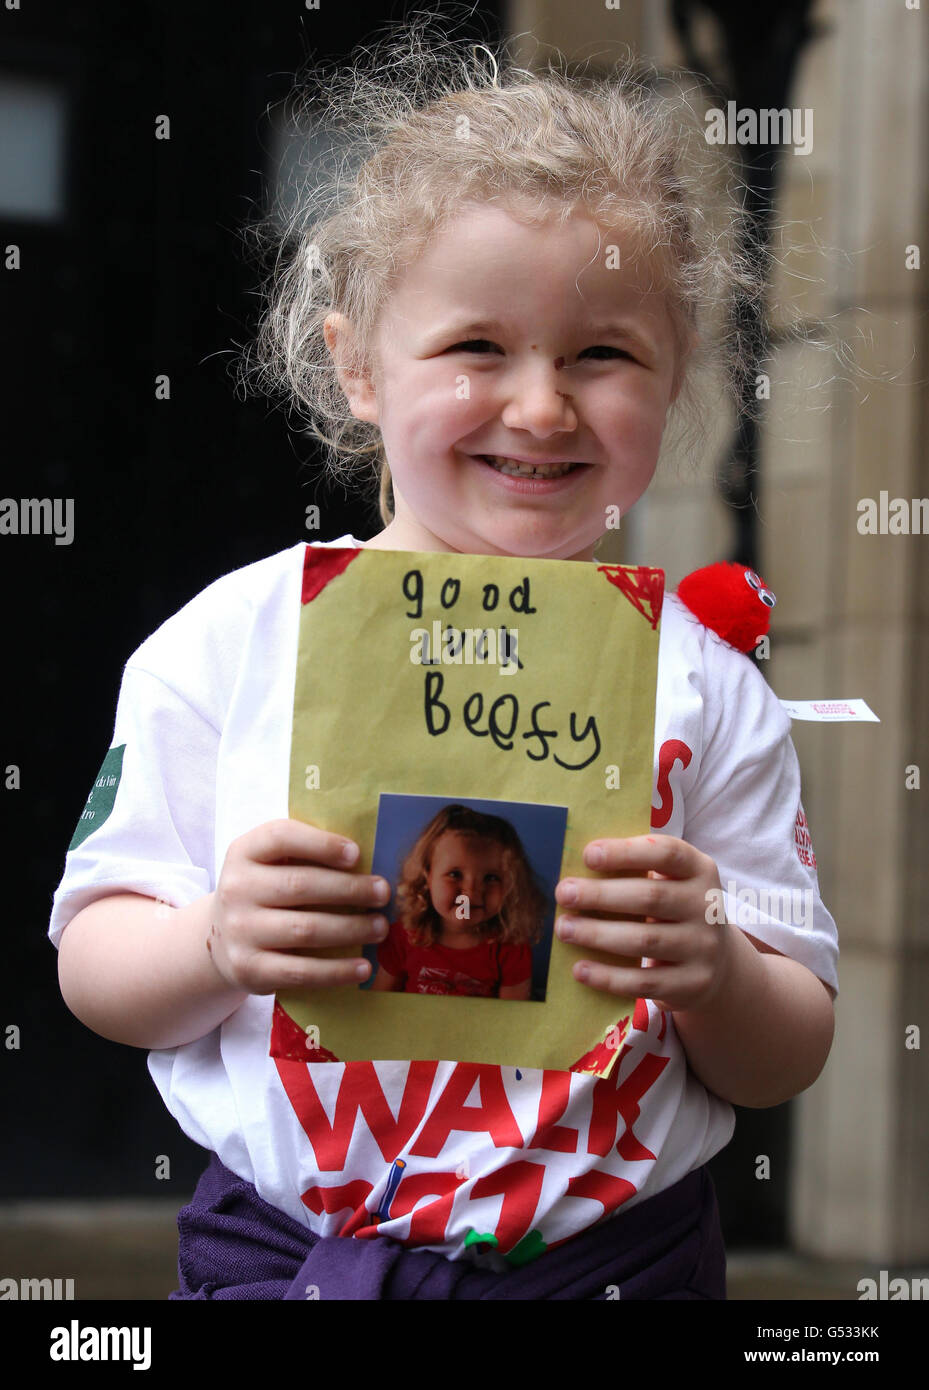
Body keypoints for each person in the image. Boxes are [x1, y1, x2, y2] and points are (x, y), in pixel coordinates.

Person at [49, 19, 838, 1300]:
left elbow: (783, 1050)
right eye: (477, 346)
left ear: (675, 372)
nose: (538, 404)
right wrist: (214, 941)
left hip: (607, 1273)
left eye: (601, 353)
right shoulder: (229, 643)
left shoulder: (704, 685)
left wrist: (712, 967)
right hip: (287, 1257)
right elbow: (95, 964)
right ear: (356, 362)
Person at [370, 804, 543, 999]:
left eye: (491, 878)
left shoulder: (511, 948)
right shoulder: (401, 937)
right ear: (428, 876)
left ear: (511, 885)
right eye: (455, 874)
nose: (470, 893)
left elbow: (515, 1019)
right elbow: (380, 1001)